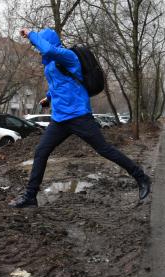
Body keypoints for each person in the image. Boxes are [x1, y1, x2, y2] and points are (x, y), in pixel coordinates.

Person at [9, 28, 151, 208]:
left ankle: (141, 177)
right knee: (41, 151)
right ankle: (30, 196)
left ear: (49, 41)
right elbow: (58, 83)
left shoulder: (68, 56)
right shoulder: (50, 64)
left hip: (79, 115)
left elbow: (48, 50)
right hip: (60, 119)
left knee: (104, 149)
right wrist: (49, 98)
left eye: (38, 44)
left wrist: (30, 34)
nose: (36, 49)